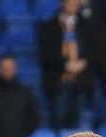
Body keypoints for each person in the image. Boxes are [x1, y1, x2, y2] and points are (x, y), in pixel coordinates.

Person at [38, 0, 95, 130]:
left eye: (76, 3)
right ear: (62, 3)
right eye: (70, 2)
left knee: (76, 120)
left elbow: (94, 49)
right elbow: (46, 52)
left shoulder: (87, 25)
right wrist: (64, 65)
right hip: (58, 79)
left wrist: (83, 62)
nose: (74, 5)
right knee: (59, 118)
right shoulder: (49, 25)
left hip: (80, 80)